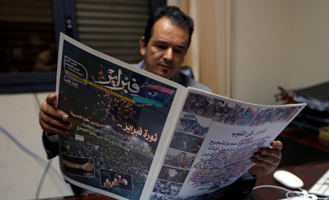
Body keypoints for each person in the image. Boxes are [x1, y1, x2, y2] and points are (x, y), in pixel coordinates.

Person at [39, 5, 283, 199]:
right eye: (161, 46)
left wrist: (252, 168)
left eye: (178, 50)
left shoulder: (202, 95)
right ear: (144, 45)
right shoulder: (110, 85)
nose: (169, 57)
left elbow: (221, 175)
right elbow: (70, 138)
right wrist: (53, 126)